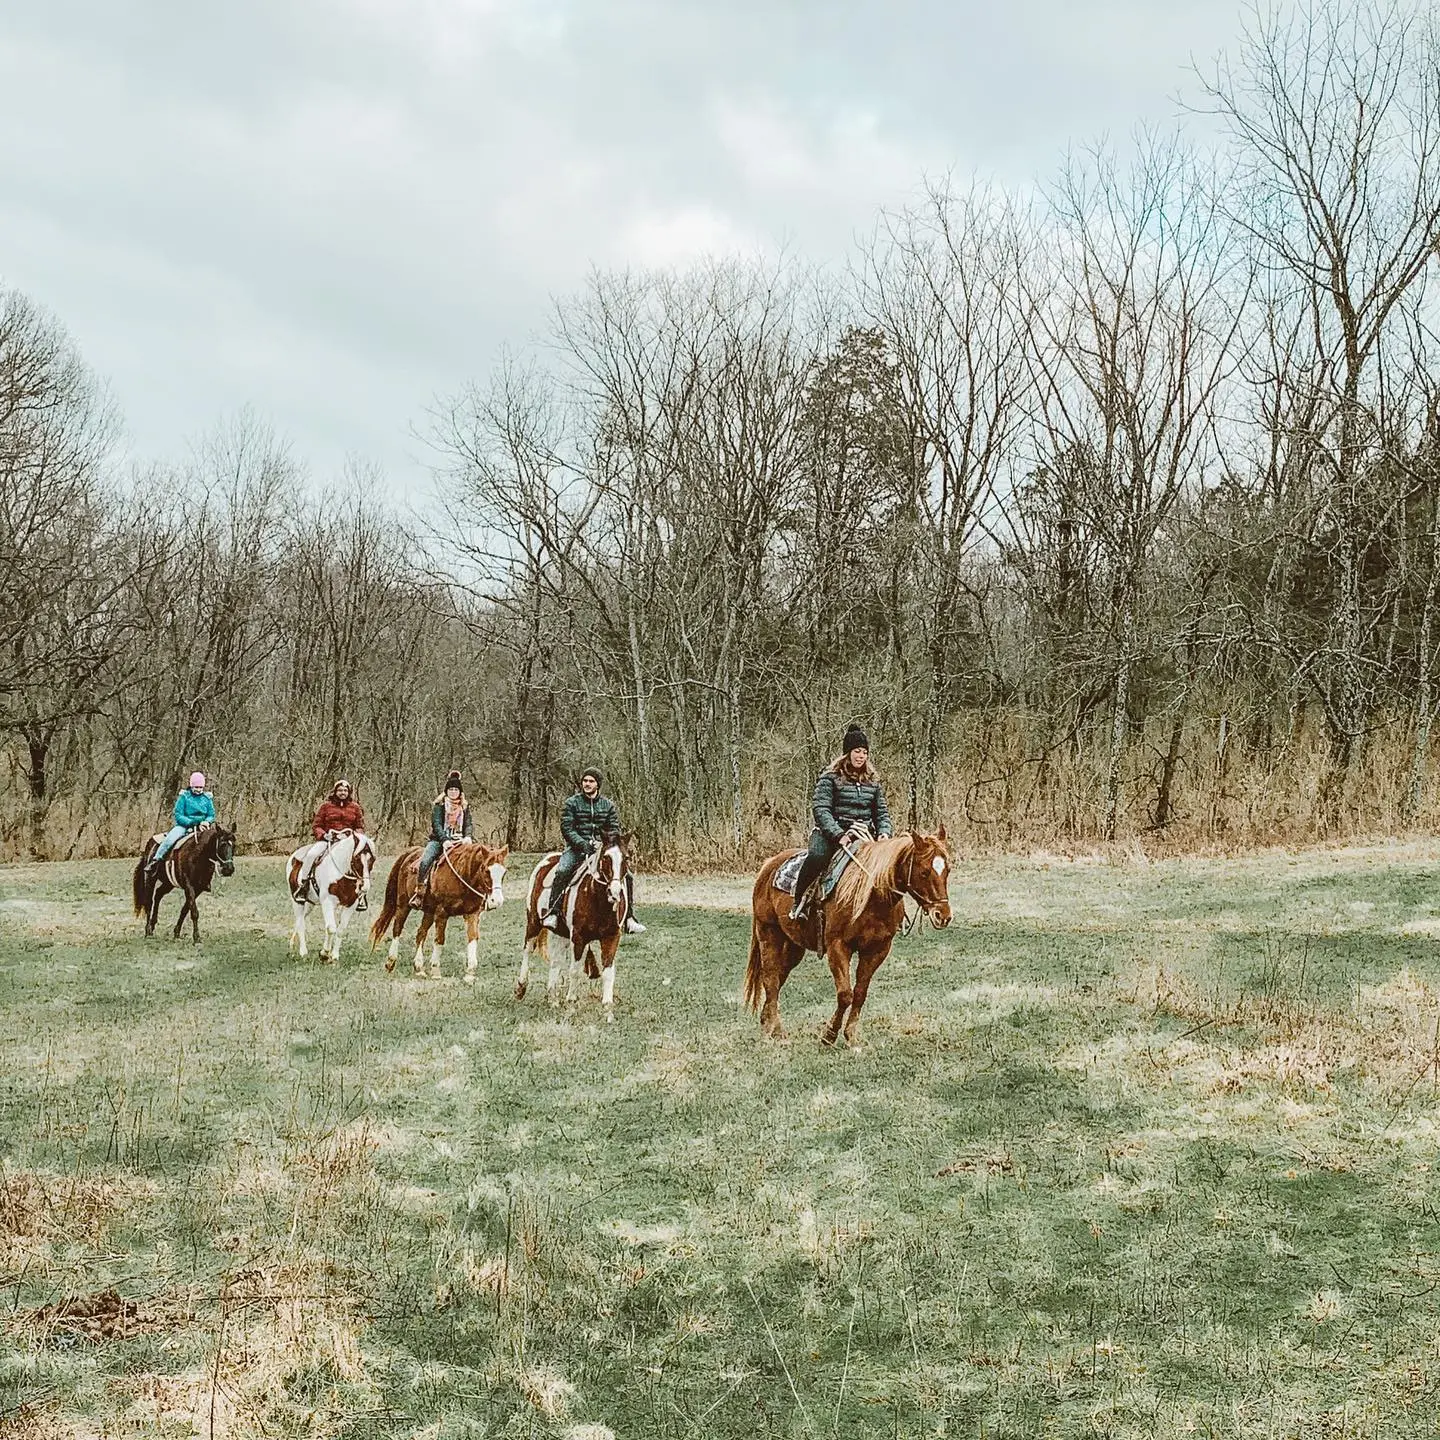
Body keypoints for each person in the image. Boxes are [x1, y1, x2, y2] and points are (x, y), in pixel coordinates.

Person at [789, 725, 893, 921]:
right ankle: (800, 902)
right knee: (817, 856)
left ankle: (891, 915)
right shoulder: (830, 778)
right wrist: (838, 834)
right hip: (831, 833)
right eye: (857, 751)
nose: (861, 756)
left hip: (864, 835)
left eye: (864, 752)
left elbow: (882, 813)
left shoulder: (873, 781)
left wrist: (884, 832)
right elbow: (821, 810)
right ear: (848, 753)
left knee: (889, 866)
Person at [540, 766, 645, 934]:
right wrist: (583, 844)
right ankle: (553, 913)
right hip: (576, 849)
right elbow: (567, 829)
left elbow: (614, 830)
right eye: (585, 781)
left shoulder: (608, 805)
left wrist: (604, 844)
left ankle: (628, 918)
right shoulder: (571, 803)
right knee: (563, 870)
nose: (587, 784)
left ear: (598, 784)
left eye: (591, 781)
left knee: (628, 876)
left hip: (602, 850)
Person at [293, 778, 367, 899]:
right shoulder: (325, 807)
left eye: (345, 790)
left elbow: (359, 827)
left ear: (349, 792)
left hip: (348, 842)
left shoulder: (355, 808)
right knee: (312, 854)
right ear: (335, 792)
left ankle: (361, 892)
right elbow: (316, 825)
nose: (342, 793)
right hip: (327, 840)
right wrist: (323, 835)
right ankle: (304, 885)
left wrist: (354, 836)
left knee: (362, 860)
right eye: (340, 790)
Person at [413, 770, 471, 904]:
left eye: (455, 789)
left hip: (460, 839)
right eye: (450, 789)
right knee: (426, 860)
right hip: (439, 840)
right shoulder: (440, 806)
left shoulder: (464, 807)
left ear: (460, 792)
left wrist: (468, 836)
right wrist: (444, 840)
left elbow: (468, 824)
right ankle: (419, 891)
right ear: (446, 791)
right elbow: (437, 825)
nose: (453, 792)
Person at [148, 772, 218, 873]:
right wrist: (192, 822)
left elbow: (211, 814)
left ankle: (216, 866)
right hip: (184, 826)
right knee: (169, 840)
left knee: (214, 841)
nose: (198, 790)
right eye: (196, 787)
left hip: (203, 826)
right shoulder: (184, 797)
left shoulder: (207, 799)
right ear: (191, 786)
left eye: (200, 787)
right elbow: (178, 814)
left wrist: (207, 822)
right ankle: (155, 861)